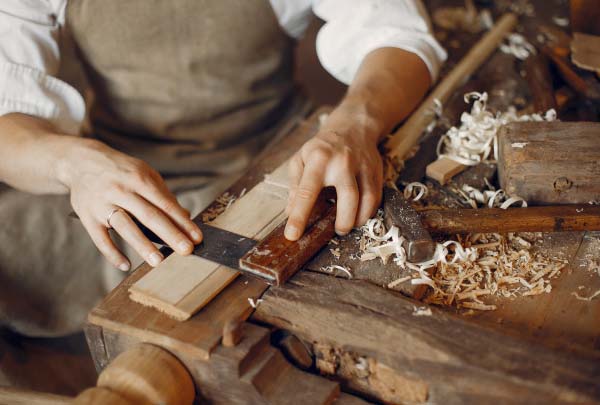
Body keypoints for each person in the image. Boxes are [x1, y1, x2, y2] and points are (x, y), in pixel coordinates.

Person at [0, 0, 446, 336]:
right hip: (112, 178)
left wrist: (354, 124)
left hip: (270, 164)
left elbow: (398, 37)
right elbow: (8, 120)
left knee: (311, 287)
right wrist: (70, 161)